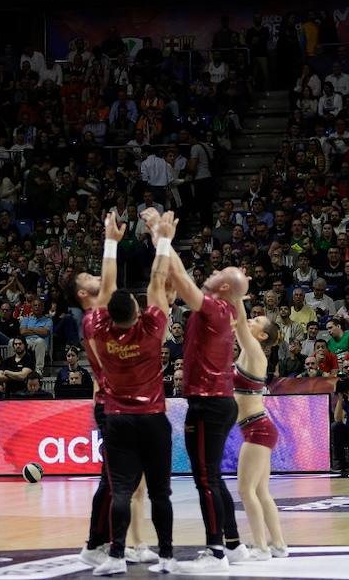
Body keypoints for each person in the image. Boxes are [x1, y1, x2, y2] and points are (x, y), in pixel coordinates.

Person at [81, 210, 176, 576]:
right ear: (138, 312)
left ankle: (117, 556)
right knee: (159, 494)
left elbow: (105, 289)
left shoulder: (100, 332)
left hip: (118, 419)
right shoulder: (151, 330)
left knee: (121, 491)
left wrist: (110, 242)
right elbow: (157, 281)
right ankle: (166, 557)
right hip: (152, 419)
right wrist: (162, 237)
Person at [161, 219, 250, 569]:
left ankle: (215, 553)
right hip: (217, 402)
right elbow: (184, 278)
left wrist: (165, 241)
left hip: (208, 403)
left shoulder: (213, 307)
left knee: (205, 480)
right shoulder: (223, 308)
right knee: (211, 476)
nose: (213, 272)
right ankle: (233, 545)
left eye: (220, 271)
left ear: (224, 285)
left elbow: (182, 282)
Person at [230, 307, 287, 559]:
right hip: (259, 427)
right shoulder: (247, 352)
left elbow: (240, 326)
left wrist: (236, 297)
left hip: (257, 429)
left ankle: (261, 547)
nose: (250, 321)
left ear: (263, 336)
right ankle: (278, 544)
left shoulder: (255, 351)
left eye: (257, 321)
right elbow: (238, 326)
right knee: (261, 492)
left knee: (246, 491)